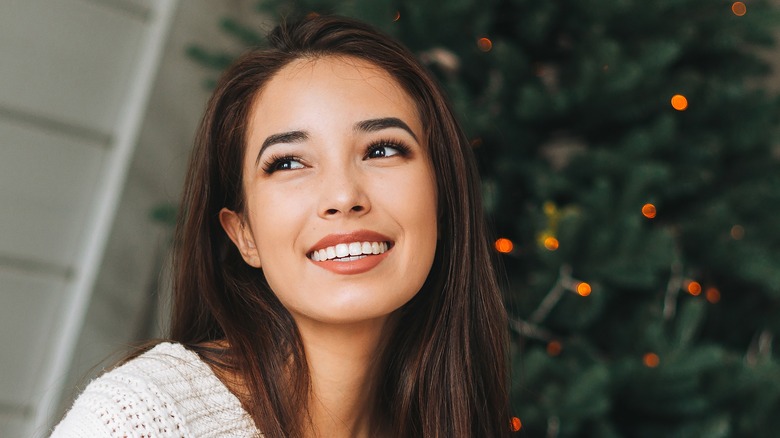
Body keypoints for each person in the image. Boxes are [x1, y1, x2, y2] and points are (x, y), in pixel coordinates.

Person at [52, 14, 510, 438]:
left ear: (443, 200)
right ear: (243, 234)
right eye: (288, 162)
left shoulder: (446, 422)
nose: (343, 197)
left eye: (382, 150)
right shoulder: (141, 420)